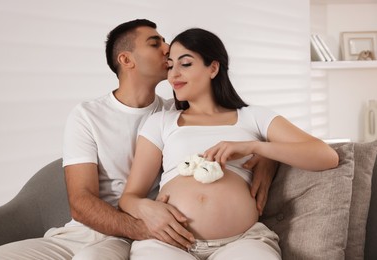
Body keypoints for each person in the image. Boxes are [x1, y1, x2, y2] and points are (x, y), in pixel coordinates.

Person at [0, 20, 277, 260]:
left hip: (152, 238)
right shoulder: (87, 115)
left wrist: (266, 157)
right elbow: (81, 202)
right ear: (126, 60)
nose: (167, 49)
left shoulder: (175, 113)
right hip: (93, 231)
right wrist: (143, 227)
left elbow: (238, 128)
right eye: (155, 43)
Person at [119, 28, 339, 260]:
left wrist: (256, 147)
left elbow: (326, 156)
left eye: (185, 64)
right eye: (170, 65)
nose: (174, 75)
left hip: (241, 243)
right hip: (168, 244)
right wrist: (145, 208)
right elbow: (129, 196)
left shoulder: (254, 117)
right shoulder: (161, 122)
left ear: (213, 68)